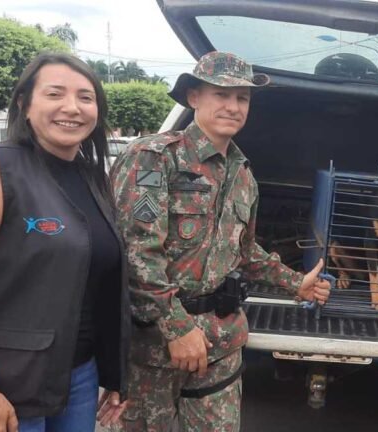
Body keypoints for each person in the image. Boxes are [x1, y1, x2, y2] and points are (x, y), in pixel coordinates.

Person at [110, 51, 332, 431]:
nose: (233, 106)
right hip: (154, 347)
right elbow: (135, 252)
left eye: (242, 98)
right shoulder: (153, 158)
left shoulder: (243, 175)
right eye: (221, 95)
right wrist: (177, 328)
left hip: (220, 342)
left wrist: (295, 283)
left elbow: (242, 250)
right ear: (194, 97)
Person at [0, 53, 130, 431]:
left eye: (85, 97)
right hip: (6, 383)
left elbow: (100, 283)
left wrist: (113, 371)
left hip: (79, 377)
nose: (72, 107)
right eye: (55, 94)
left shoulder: (93, 179)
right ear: (25, 104)